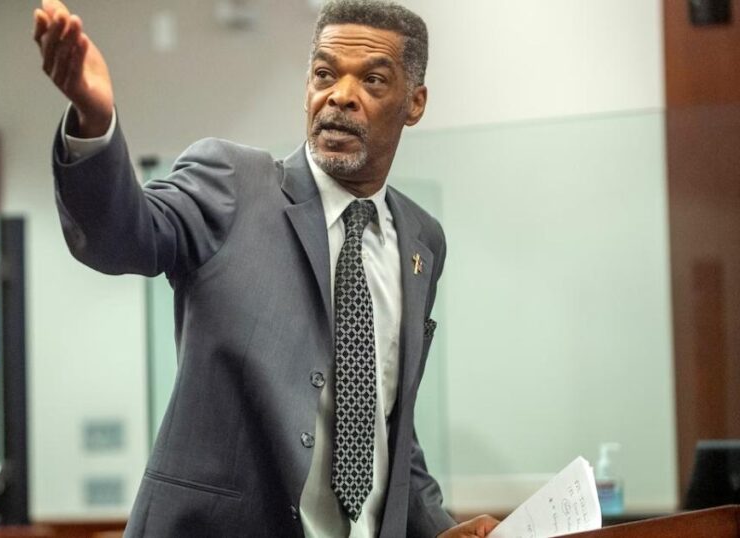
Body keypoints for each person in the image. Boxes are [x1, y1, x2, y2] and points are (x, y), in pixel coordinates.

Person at [34, 0, 499, 536]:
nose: (340, 95)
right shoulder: (233, 183)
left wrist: (439, 528)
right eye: (325, 74)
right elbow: (121, 235)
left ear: (414, 103)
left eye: (372, 80)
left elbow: (384, 423)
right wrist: (94, 120)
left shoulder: (422, 242)